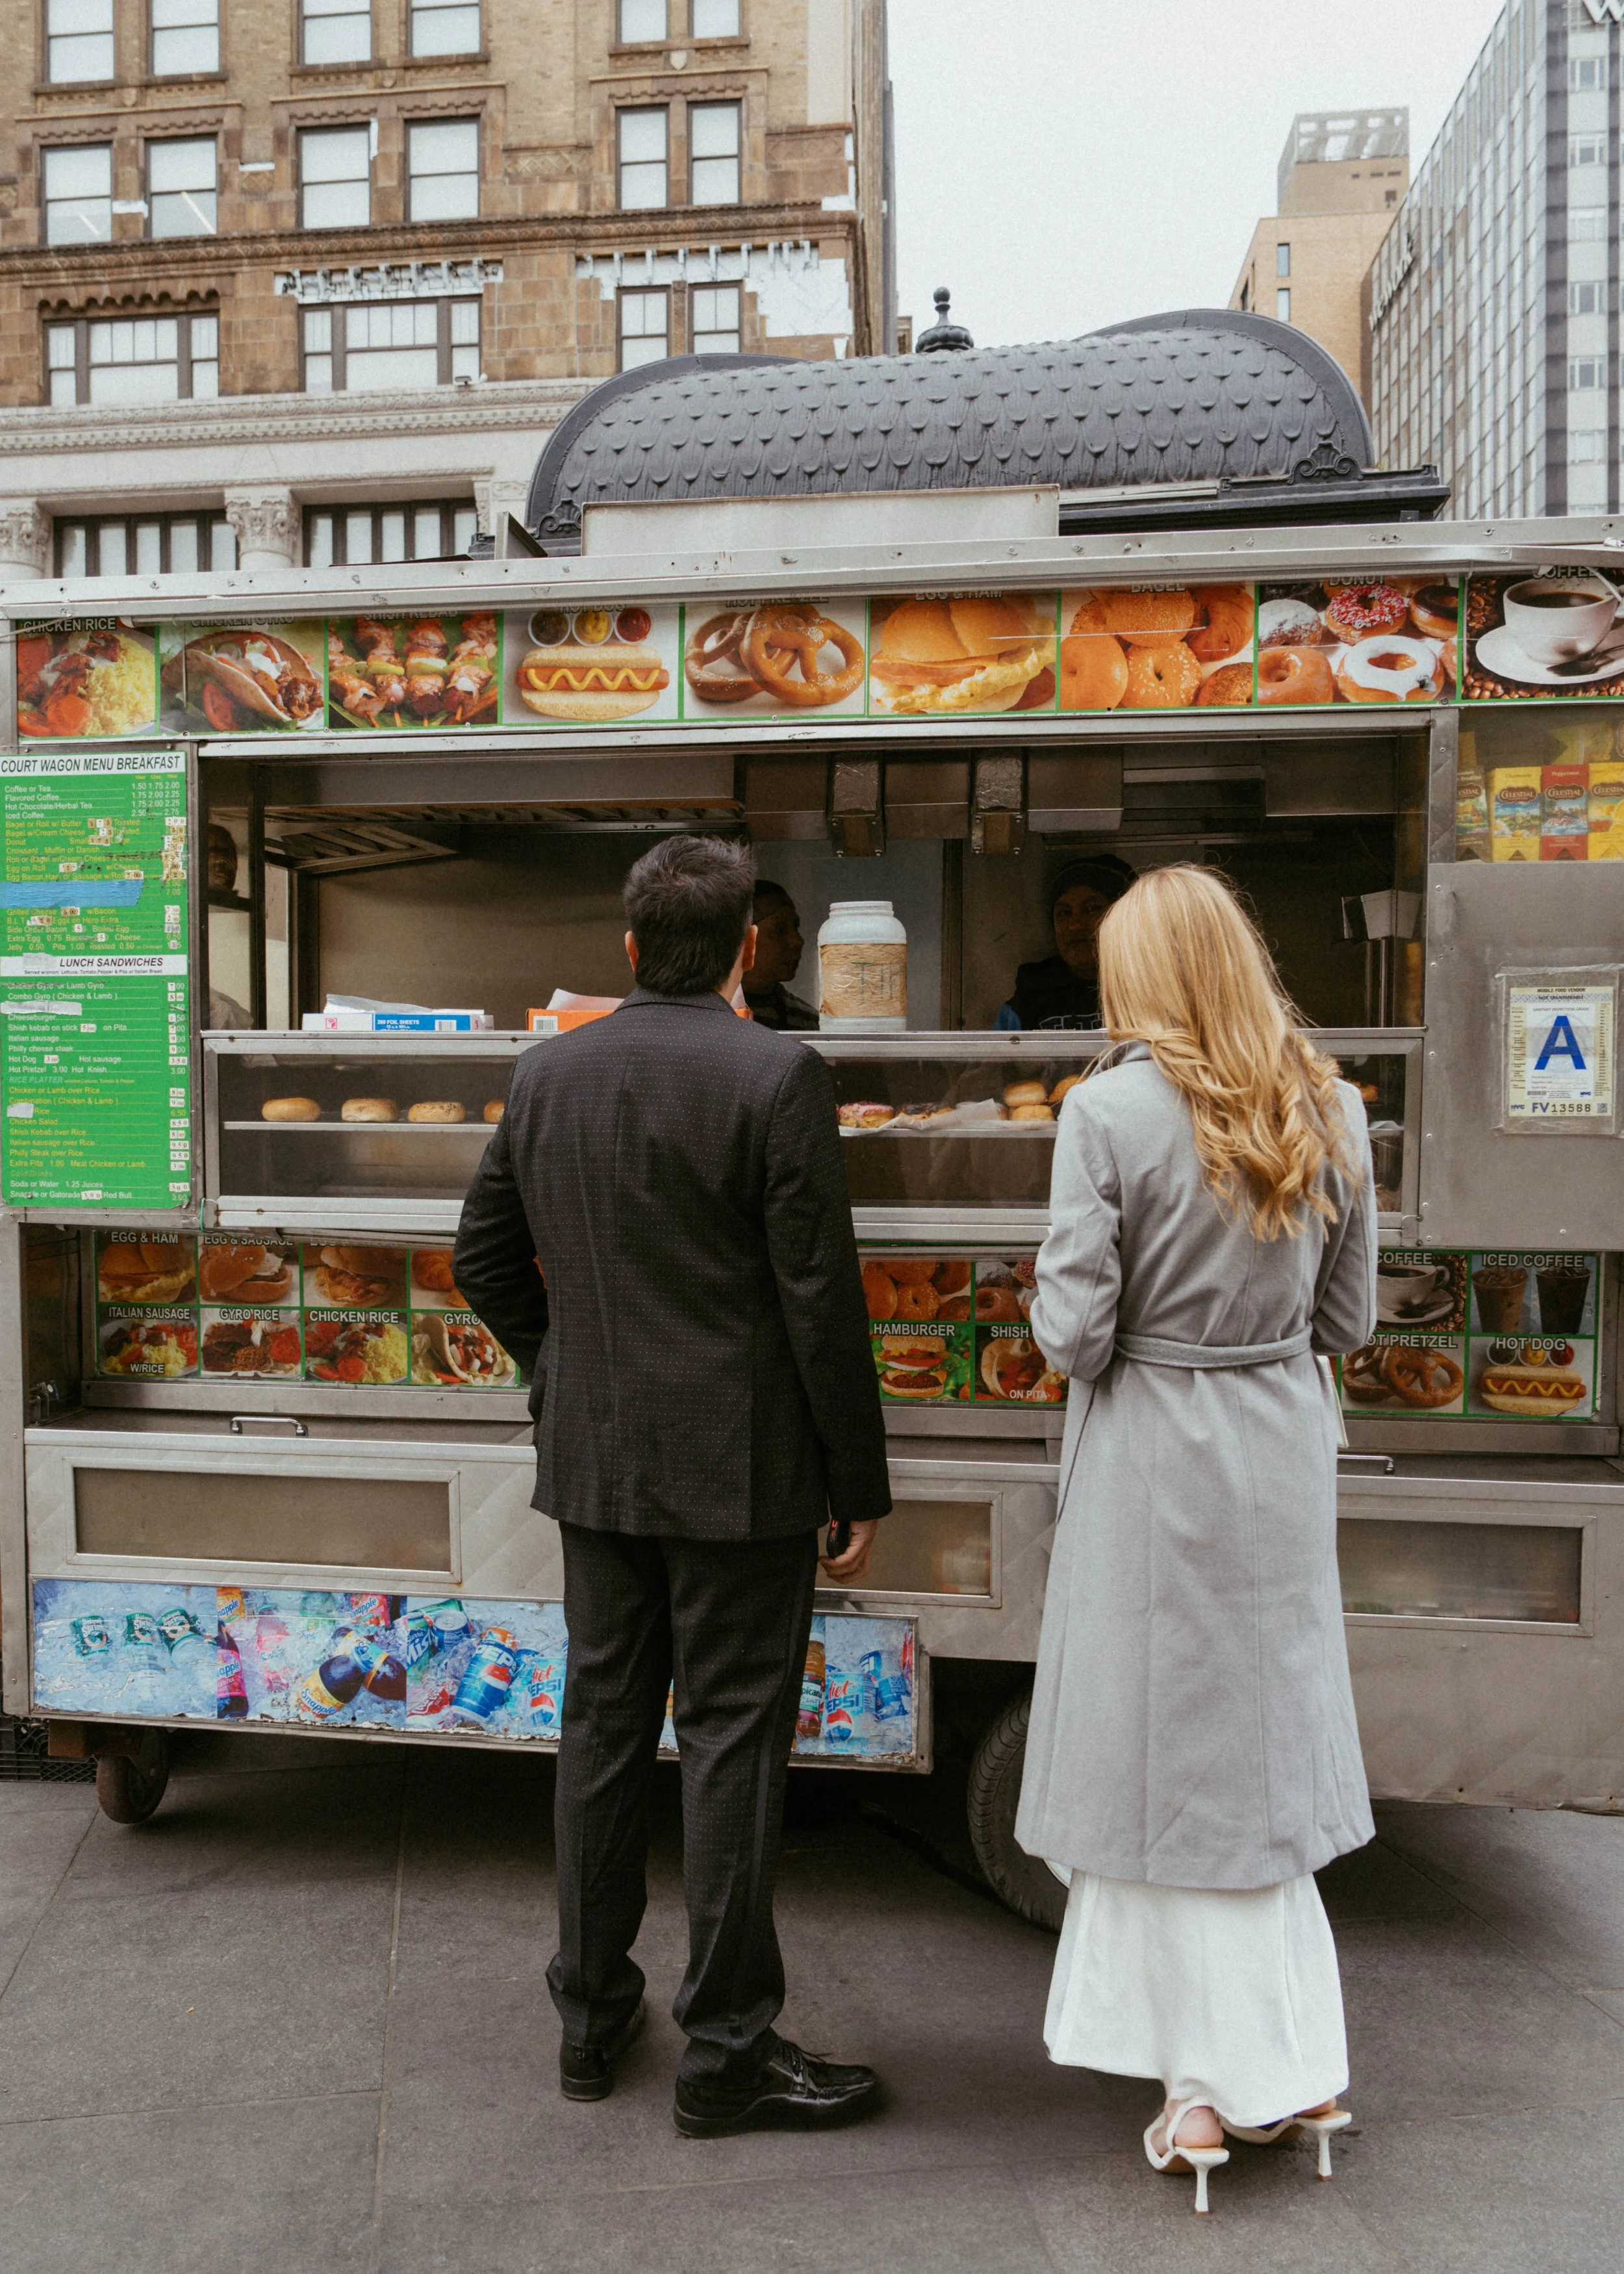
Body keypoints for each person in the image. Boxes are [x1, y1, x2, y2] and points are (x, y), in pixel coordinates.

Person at [452, 834, 891, 2139]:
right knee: (730, 1747)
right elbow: (819, 1302)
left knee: (597, 1732)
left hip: (597, 1458)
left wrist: (562, 1366)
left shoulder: (547, 1075)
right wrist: (851, 1477)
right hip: (743, 1471)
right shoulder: (778, 1076)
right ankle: (726, 2052)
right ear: (748, 951)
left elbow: (479, 1254)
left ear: (631, 949)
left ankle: (588, 2023)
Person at [1015, 863, 1377, 2215]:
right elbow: (1346, 1324)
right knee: (1261, 1757)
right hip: (1280, 1447)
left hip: (1151, 1452)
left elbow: (1073, 1335)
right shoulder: (1330, 1104)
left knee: (1153, 1762)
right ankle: (1297, 2068)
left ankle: (1203, 2086)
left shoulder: (1103, 1112)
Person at [994, 855, 1137, 1030]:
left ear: (1124, 917)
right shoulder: (1029, 999)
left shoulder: (1157, 988)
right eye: (1064, 913)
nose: (1075, 925)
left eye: (1092, 909)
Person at [741, 880, 818, 1030]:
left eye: (796, 927)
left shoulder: (806, 1021)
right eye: (780, 930)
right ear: (743, 939)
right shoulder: (704, 1013)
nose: (798, 941)